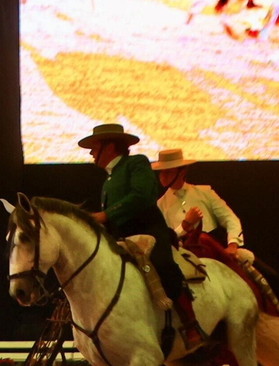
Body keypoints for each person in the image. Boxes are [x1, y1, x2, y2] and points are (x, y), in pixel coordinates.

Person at [80, 123, 202, 351]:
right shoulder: (108, 179)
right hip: (121, 234)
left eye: (94, 147)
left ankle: (189, 321)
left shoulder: (136, 164)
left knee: (164, 264)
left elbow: (141, 195)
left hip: (148, 229)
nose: (91, 152)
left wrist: (106, 214)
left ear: (110, 147)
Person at [151, 149, 245, 255]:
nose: (162, 175)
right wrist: (184, 226)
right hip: (185, 256)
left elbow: (230, 218)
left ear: (182, 171)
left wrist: (233, 244)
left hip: (214, 250)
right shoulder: (160, 205)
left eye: (168, 171)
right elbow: (164, 240)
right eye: (161, 171)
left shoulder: (205, 192)